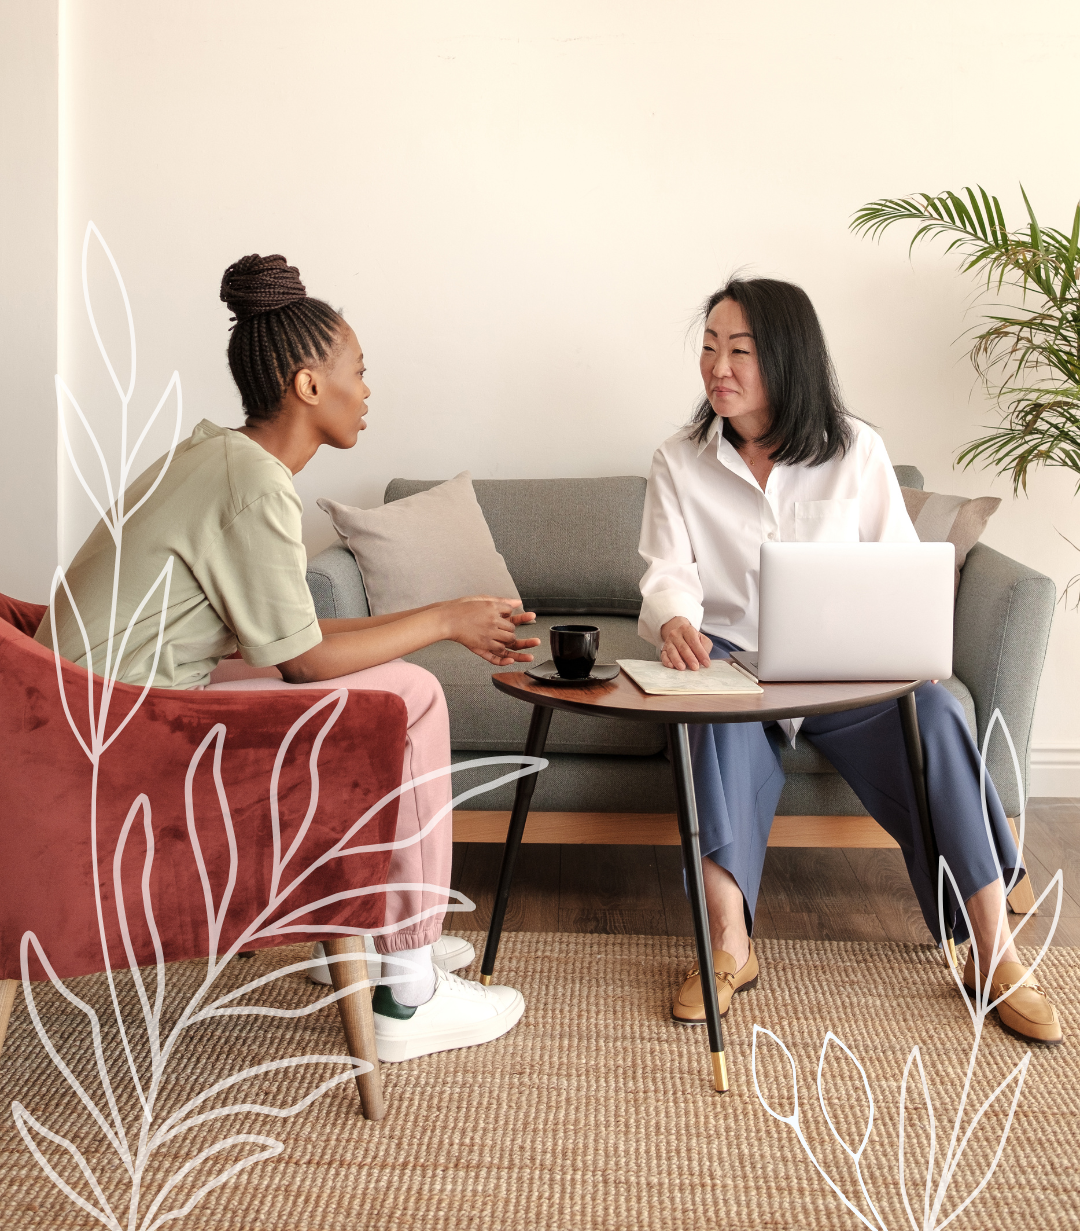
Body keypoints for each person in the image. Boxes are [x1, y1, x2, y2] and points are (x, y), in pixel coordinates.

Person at [37, 252, 541, 1063]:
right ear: (309, 386)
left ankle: (376, 928)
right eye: (359, 372)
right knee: (407, 698)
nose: (368, 390)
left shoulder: (217, 457)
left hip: (90, 710)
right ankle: (409, 994)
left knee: (383, 690)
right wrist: (443, 619)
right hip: (115, 740)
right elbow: (304, 664)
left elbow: (289, 643)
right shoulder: (255, 483)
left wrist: (446, 618)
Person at [638, 277, 1062, 1046]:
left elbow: (899, 566)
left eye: (738, 351)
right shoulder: (680, 460)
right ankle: (727, 947)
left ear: (788, 358)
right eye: (708, 349)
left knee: (935, 712)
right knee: (703, 714)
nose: (716, 368)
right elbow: (668, 572)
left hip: (844, 672)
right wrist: (673, 620)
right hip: (736, 666)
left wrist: (909, 648)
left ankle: (993, 952)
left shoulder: (856, 449)